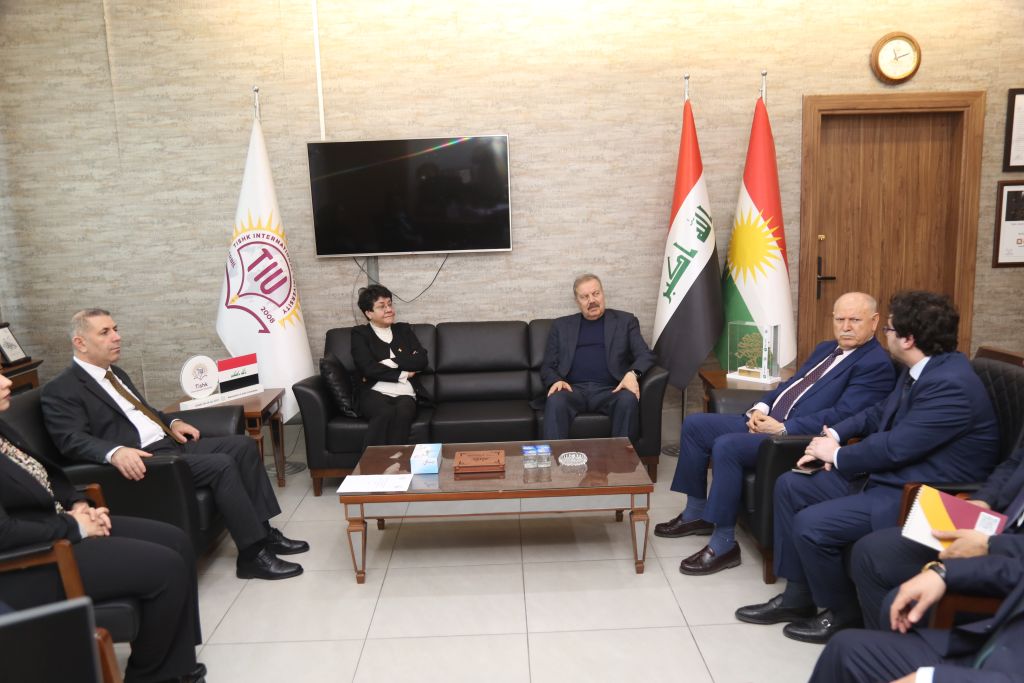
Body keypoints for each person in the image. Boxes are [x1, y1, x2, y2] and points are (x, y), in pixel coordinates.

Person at [736, 291, 1000, 644]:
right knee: (791, 485)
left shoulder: (950, 385)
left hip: (921, 493)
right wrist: (832, 435)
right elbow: (877, 414)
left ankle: (843, 615)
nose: (884, 335)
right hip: (891, 476)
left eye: (888, 328)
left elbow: (897, 446)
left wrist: (837, 456)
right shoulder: (922, 368)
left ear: (908, 339)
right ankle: (798, 598)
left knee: (812, 524)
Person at [40, 309, 308, 581]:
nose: (117, 337)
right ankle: (252, 556)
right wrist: (114, 452)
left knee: (243, 446)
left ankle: (264, 532)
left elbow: (145, 411)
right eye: (105, 332)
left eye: (115, 329)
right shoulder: (61, 389)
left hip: (167, 443)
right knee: (222, 465)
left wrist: (174, 421)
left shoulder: (114, 373)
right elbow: (69, 439)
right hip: (145, 460)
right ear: (81, 343)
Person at [655, 292, 895, 576]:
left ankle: (724, 544)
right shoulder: (826, 349)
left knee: (726, 446)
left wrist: (783, 428)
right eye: (840, 319)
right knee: (695, 425)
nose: (845, 327)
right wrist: (760, 407)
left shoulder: (875, 364)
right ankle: (696, 513)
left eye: (854, 320)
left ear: (874, 322)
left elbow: (844, 416)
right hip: (769, 422)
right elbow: (791, 385)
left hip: (793, 439)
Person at [0, 371, 206, 683]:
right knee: (166, 567)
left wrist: (77, 503)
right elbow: (4, 533)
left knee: (177, 540)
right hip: (35, 560)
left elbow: (47, 475)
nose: (7, 383)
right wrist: (75, 526)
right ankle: (152, 677)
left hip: (61, 525)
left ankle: (176, 664)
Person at [850, 446, 1024, 630]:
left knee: (901, 599)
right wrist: (985, 499)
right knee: (872, 552)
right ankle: (881, 642)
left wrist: (990, 544)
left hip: (1012, 558)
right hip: (995, 525)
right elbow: (1014, 463)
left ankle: (902, 646)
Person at [809, 535, 1024, 682]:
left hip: (1001, 672)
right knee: (846, 648)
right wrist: (944, 574)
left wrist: (931, 679)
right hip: (992, 647)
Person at [537, 274, 656, 443]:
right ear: (577, 301)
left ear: (603, 293)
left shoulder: (625, 321)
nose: (592, 300)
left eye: (596, 293)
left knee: (627, 399)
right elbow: (547, 365)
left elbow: (645, 354)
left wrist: (633, 374)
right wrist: (556, 380)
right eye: (585, 297)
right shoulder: (561, 326)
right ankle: (555, 459)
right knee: (555, 400)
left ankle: (621, 459)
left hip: (611, 390)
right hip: (572, 390)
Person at [350, 284, 429, 448]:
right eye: (381, 306)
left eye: (390, 304)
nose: (389, 310)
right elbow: (367, 368)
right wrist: (404, 373)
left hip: (406, 393)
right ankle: (372, 463)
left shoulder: (403, 330)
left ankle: (396, 461)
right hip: (374, 391)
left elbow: (421, 360)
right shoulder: (360, 334)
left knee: (404, 413)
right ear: (369, 313)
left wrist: (389, 362)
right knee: (384, 412)